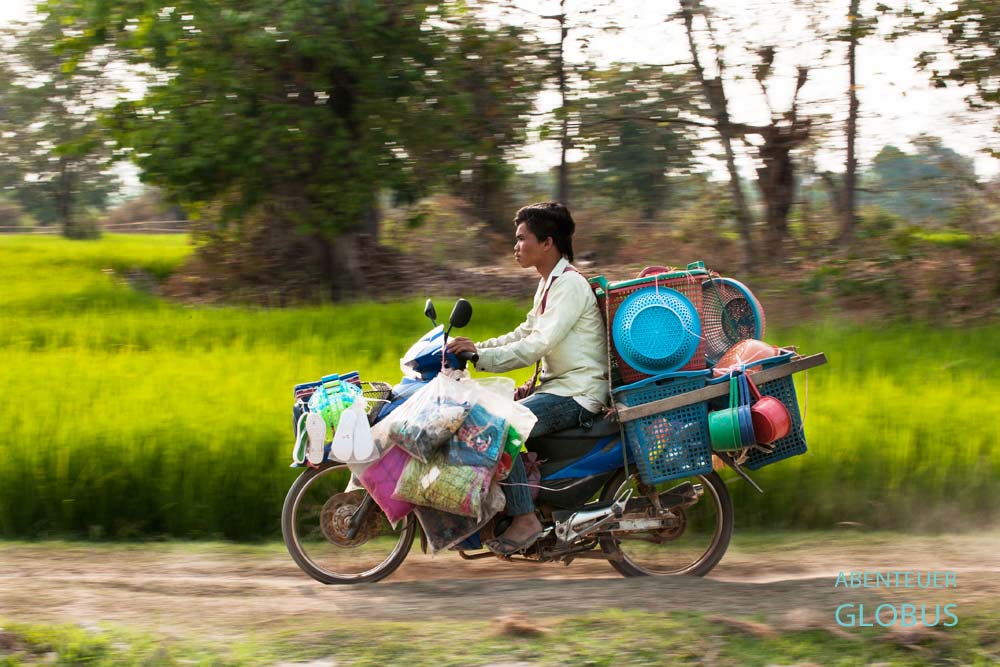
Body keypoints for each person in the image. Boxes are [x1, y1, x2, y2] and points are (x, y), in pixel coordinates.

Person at [446, 202, 609, 555]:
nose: (515, 246)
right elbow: (523, 331)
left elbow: (538, 344)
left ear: (547, 242)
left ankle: (525, 519)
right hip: (560, 387)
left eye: (522, 239)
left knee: (501, 426)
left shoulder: (569, 286)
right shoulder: (549, 284)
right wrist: (475, 347)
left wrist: (481, 357)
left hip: (577, 393)